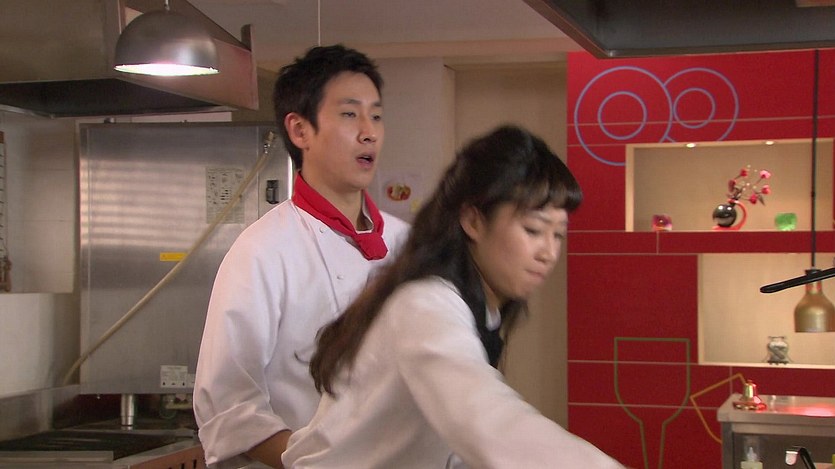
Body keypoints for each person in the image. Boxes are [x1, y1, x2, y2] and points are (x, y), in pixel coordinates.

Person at [282, 125, 626, 468]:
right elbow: (486, 420)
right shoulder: (424, 305)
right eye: (533, 230)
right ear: (473, 221)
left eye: (558, 235)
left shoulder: (479, 308)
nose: (548, 253)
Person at [193, 44, 410, 469]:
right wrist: (318, 462)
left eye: (377, 116)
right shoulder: (263, 251)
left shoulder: (409, 245)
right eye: (350, 114)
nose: (369, 132)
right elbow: (229, 406)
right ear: (299, 131)